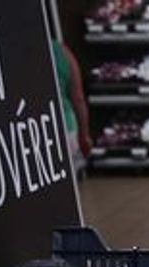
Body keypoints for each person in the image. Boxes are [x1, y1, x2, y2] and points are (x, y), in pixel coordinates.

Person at [52, 39, 92, 175]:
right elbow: (78, 98)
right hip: (66, 126)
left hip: (35, 130)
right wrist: (84, 135)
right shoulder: (62, 51)